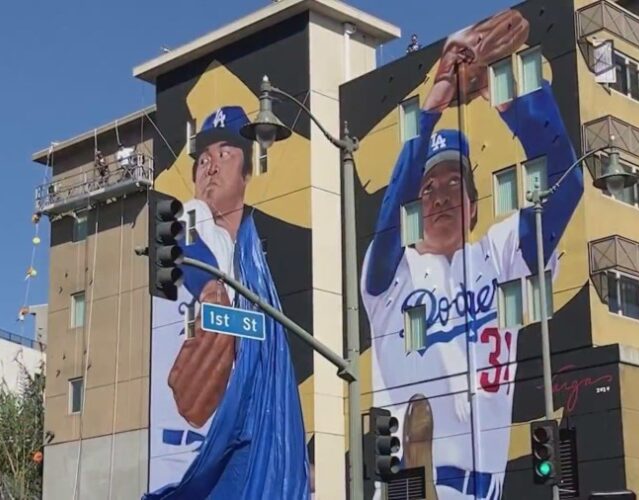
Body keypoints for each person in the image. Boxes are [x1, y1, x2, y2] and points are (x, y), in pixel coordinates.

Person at [362, 9, 582, 500]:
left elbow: (565, 180)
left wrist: (501, 91)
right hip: (411, 487)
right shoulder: (389, 277)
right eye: (429, 186)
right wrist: (433, 104)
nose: (439, 195)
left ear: (476, 206)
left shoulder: (501, 255)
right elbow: (389, 213)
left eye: (454, 182)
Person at [145, 106, 309, 499]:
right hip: (186, 450)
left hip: (232, 441)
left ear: (247, 173)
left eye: (225, 154)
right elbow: (183, 238)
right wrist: (209, 288)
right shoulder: (197, 220)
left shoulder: (251, 257)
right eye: (202, 159)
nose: (210, 166)